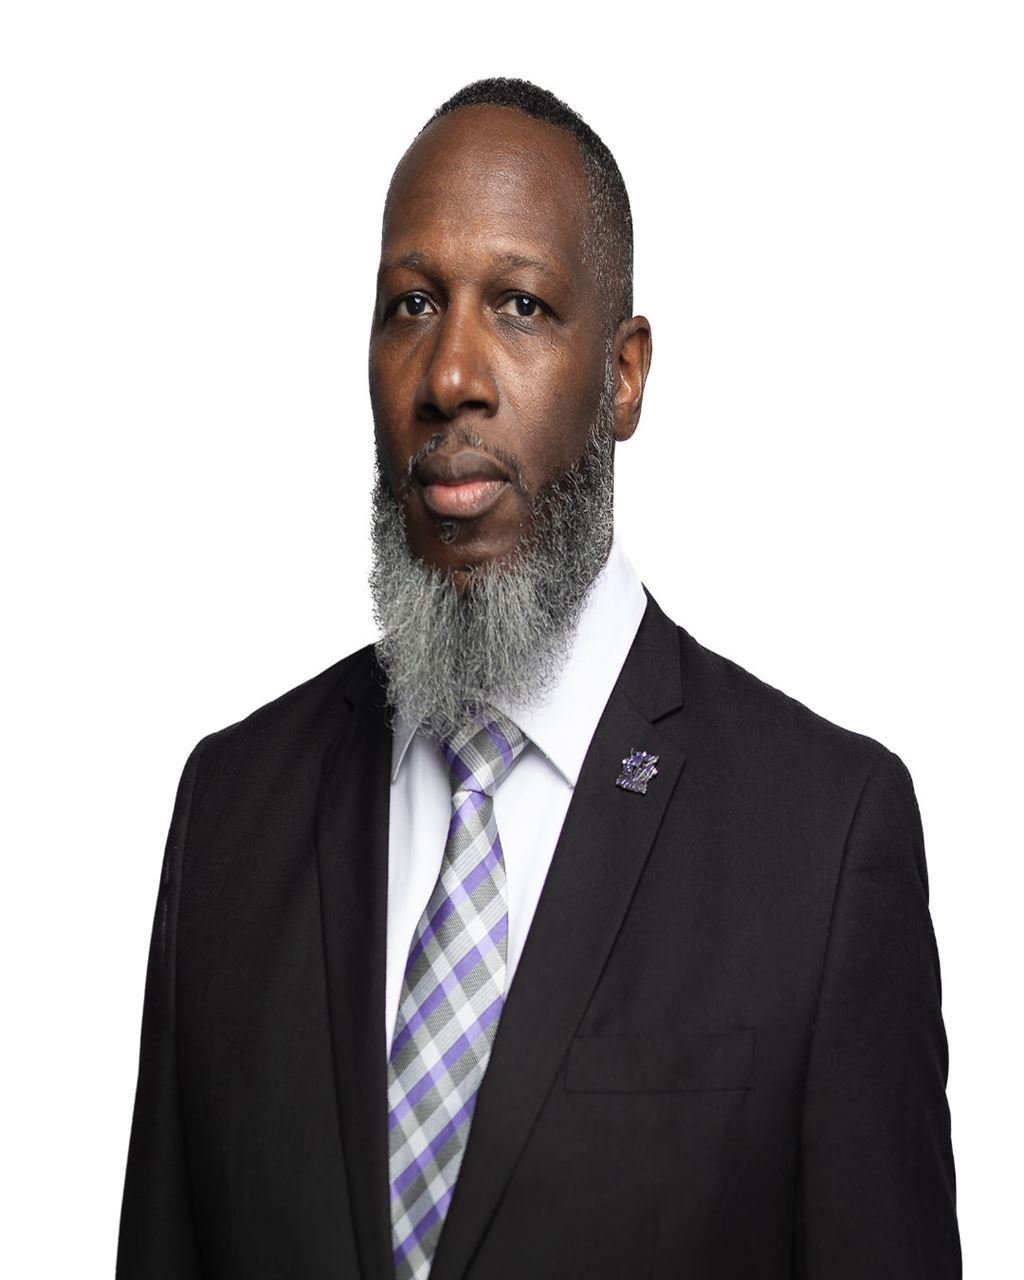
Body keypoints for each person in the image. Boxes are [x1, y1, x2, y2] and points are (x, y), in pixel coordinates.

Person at [116, 77, 961, 1280]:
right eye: (411, 304)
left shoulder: (822, 837)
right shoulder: (231, 809)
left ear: (623, 375)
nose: (449, 373)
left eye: (519, 304)